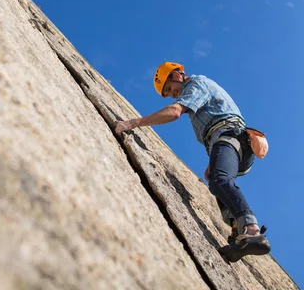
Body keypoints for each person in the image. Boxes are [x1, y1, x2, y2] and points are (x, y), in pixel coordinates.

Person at [115, 62, 271, 262]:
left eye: (171, 88)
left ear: (178, 74)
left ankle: (251, 231)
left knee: (219, 180)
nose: (174, 94)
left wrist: (134, 123)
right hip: (232, 141)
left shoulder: (195, 84)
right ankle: (236, 230)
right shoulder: (199, 91)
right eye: (170, 93)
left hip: (230, 135)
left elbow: (174, 112)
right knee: (216, 181)